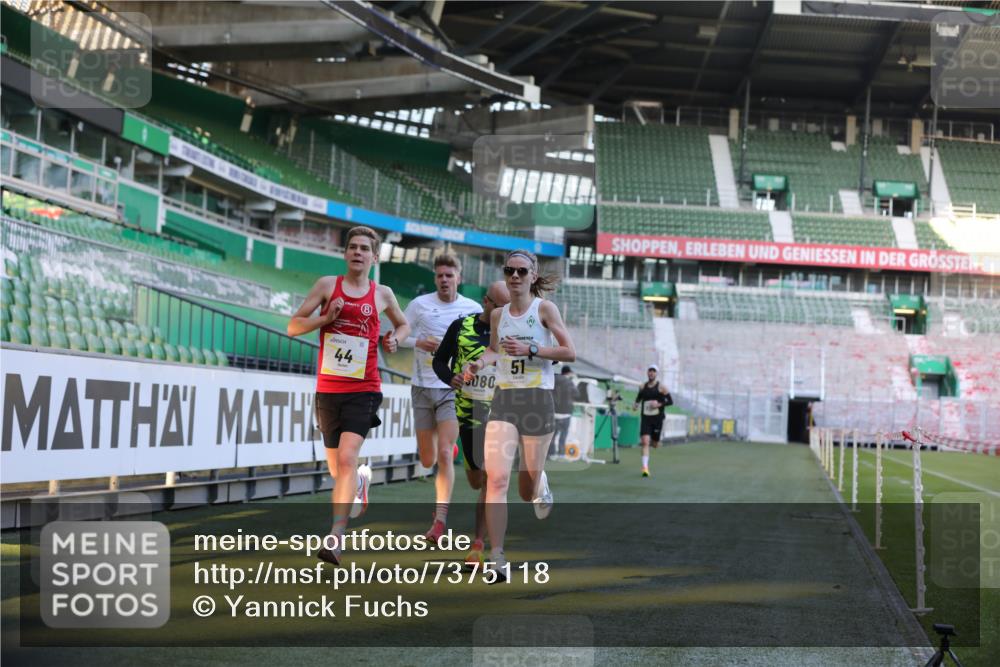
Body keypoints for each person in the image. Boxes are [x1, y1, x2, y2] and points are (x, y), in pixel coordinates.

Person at [287, 226, 409, 565]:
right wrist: (326, 318)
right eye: (352, 247)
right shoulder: (327, 286)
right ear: (345, 254)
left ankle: (335, 538)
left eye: (364, 249)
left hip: (364, 388)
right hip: (328, 390)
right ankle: (359, 481)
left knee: (346, 458)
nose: (357, 252)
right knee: (338, 469)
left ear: (374, 256)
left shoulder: (382, 294)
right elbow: (293, 326)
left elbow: (403, 325)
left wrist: (396, 339)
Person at [462, 250, 575, 581]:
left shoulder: (545, 309)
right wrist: (479, 363)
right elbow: (495, 349)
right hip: (505, 400)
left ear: (533, 274)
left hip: (538, 401)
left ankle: (539, 481)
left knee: (526, 490)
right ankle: (497, 557)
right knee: (496, 480)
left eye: (521, 271)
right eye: (509, 271)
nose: (514, 277)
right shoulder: (498, 315)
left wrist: (533, 350)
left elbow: (570, 350)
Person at [400, 254, 482, 545]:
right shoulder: (419, 305)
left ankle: (439, 521)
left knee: (445, 453)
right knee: (427, 458)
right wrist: (417, 342)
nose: (445, 280)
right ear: (435, 279)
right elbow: (396, 335)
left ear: (459, 277)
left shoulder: (472, 309)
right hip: (422, 388)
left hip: (452, 389)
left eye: (450, 275)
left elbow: (484, 342)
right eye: (440, 276)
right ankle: (444, 452)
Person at [432, 280, 510, 568]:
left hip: (501, 413)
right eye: (501, 306)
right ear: (487, 302)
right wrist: (449, 377)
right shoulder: (461, 326)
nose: (505, 311)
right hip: (467, 412)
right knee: (476, 478)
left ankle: (478, 544)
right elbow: (440, 361)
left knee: (491, 480)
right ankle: (469, 464)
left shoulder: (511, 331)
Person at [634, 364, 672, 477]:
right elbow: (639, 397)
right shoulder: (642, 386)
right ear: (647, 373)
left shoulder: (662, 387)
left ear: (656, 373)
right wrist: (636, 404)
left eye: (653, 371)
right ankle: (645, 468)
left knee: (655, 444)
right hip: (645, 417)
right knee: (645, 442)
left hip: (657, 418)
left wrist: (659, 404)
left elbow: (670, 401)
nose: (651, 373)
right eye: (650, 371)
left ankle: (655, 441)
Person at [551, 366, 576, 459]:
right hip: (566, 413)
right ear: (568, 372)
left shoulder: (553, 379)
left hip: (553, 412)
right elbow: (576, 394)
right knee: (563, 434)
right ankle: (561, 454)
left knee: (552, 435)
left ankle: (551, 454)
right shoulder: (569, 382)